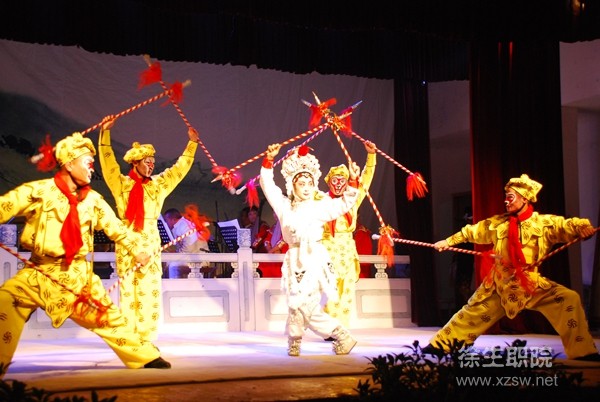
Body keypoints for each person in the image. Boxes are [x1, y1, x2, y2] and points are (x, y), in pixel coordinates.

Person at [0, 133, 171, 378]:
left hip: (77, 277)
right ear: (69, 164)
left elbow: (117, 228)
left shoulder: (93, 201)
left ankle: (145, 355)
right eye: (87, 162)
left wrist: (138, 250)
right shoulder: (39, 191)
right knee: (5, 302)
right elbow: (5, 205)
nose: (92, 167)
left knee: (108, 318)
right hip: (38, 272)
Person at [426, 173, 600, 361]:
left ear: (525, 198)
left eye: (510, 197)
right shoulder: (498, 224)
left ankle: (582, 350)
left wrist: (583, 228)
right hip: (500, 283)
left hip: (530, 283)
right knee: (471, 314)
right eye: (506, 197)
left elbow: (567, 226)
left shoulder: (544, 224)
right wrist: (447, 242)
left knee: (568, 299)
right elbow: (471, 232)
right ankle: (441, 345)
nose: (506, 201)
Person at [98, 115, 199, 343]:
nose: (151, 165)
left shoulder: (157, 185)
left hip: (151, 243)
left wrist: (192, 144)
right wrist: (105, 134)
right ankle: (131, 339)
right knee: (129, 293)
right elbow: (108, 163)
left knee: (150, 292)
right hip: (128, 242)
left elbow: (178, 170)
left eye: (153, 161)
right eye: (147, 161)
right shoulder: (121, 184)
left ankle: (147, 339)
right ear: (135, 163)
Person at [259, 143, 361, 356]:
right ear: (292, 185)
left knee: (303, 303)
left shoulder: (320, 205)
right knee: (296, 302)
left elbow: (344, 204)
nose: (306, 187)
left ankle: (334, 335)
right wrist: (268, 161)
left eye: (309, 183)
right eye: (301, 183)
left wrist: (352, 182)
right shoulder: (284, 206)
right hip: (294, 258)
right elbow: (268, 186)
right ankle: (298, 340)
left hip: (314, 257)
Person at [322, 140, 377, 329]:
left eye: (342, 180)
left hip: (347, 248)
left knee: (346, 288)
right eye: (335, 180)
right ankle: (330, 326)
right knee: (330, 288)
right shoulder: (321, 200)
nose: (338, 184)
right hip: (327, 247)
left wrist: (371, 156)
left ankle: (342, 327)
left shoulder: (352, 200)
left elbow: (366, 181)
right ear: (329, 181)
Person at [163, 207, 210, 278]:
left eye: (166, 221)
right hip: (190, 256)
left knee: (173, 265)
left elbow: (188, 248)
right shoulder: (180, 225)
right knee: (167, 261)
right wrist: (176, 252)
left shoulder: (185, 226)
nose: (166, 223)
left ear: (173, 219)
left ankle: (175, 284)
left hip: (198, 258)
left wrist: (177, 254)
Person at [260, 211, 288, 278]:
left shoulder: (287, 226)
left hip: (283, 253)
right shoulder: (274, 227)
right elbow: (267, 240)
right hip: (273, 253)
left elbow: (283, 241)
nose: (275, 215)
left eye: (277, 212)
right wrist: (270, 249)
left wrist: (272, 250)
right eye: (274, 212)